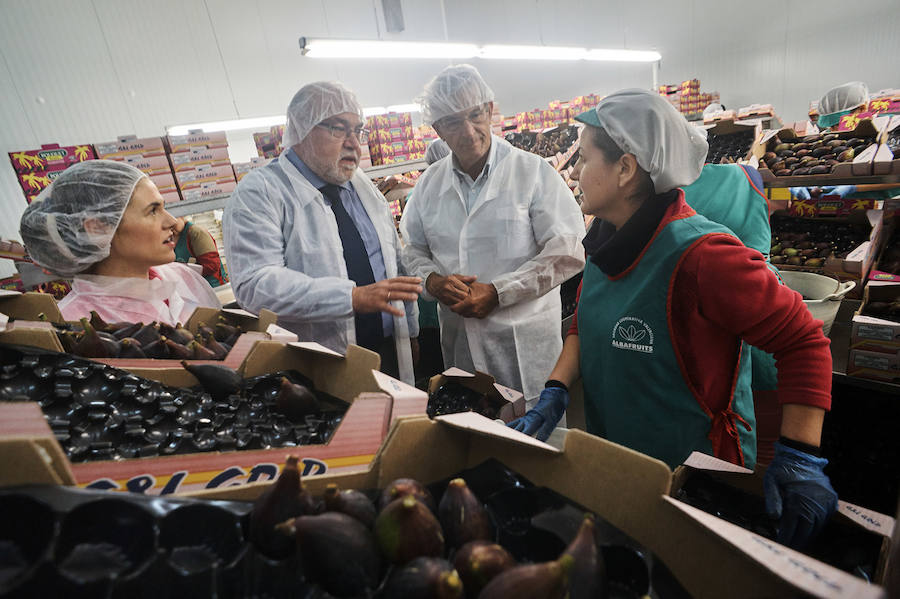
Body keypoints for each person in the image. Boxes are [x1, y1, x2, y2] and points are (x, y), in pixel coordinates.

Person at [509, 89, 836, 550]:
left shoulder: (703, 256)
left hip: (696, 483)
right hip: (624, 465)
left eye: (583, 159)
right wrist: (556, 391)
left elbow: (803, 339)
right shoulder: (606, 242)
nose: (576, 173)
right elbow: (587, 320)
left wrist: (801, 455)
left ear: (625, 168)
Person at [400, 64, 586, 408]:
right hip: (461, 352)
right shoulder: (429, 185)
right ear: (438, 128)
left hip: (525, 351)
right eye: (453, 122)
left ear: (489, 111)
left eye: (475, 115)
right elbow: (410, 248)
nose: (468, 132)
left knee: (536, 446)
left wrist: (499, 292)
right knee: (477, 443)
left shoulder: (532, 173)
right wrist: (432, 281)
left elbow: (567, 251)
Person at [223, 81, 422, 383]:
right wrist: (349, 298)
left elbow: (393, 263)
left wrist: (410, 331)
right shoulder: (260, 193)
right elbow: (255, 283)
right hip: (318, 364)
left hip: (388, 352)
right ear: (303, 131)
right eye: (339, 129)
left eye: (358, 130)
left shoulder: (361, 186)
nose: (354, 143)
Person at [19, 160, 220, 324]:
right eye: (152, 211)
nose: (171, 221)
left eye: (163, 208)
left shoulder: (183, 277)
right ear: (97, 229)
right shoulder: (76, 321)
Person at [172, 217, 227, 287]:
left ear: (181, 217)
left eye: (173, 221)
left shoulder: (196, 232)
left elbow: (212, 265)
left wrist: (185, 272)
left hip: (212, 286)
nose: (170, 227)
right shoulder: (172, 236)